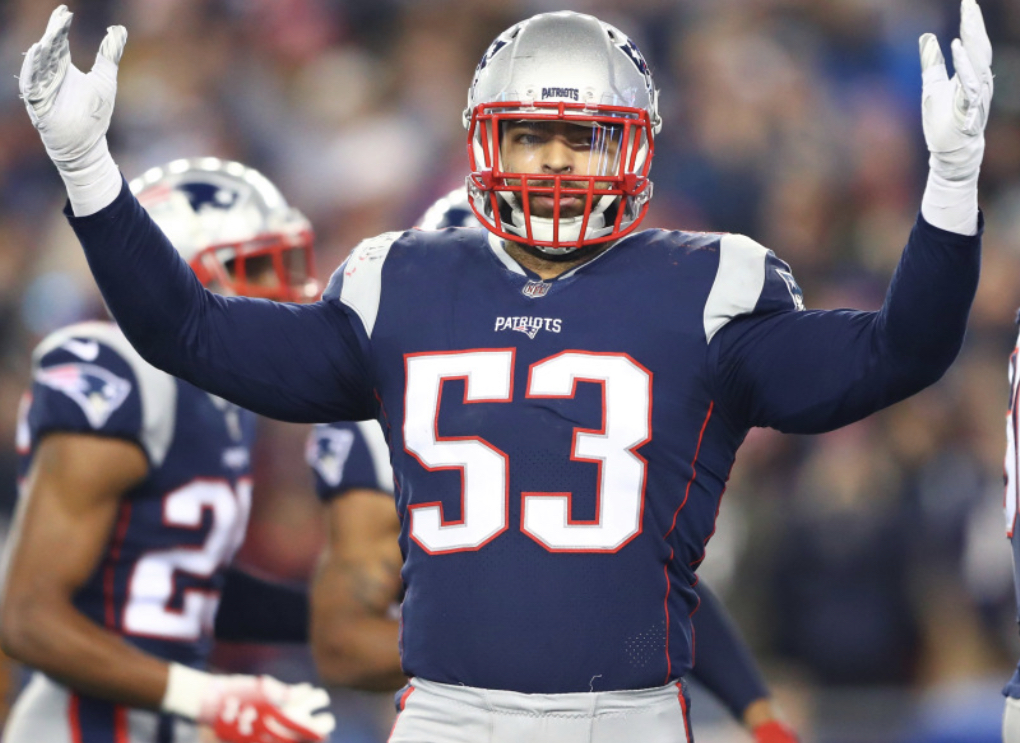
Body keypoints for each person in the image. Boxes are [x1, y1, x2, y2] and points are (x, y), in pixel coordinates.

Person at [19, 2, 992, 741]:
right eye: (531, 132)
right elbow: (188, 331)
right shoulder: (400, 279)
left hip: (627, 714)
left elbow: (898, 352)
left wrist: (950, 187)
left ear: (633, 145)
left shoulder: (707, 285)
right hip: (444, 712)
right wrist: (87, 169)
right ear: (487, 139)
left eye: (583, 135)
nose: (556, 160)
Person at [0, 157, 333, 743]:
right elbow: (28, 617)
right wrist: (210, 697)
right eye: (258, 268)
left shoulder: (224, 398)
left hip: (159, 722)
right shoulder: (118, 373)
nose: (287, 292)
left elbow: (176, 581)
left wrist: (339, 619)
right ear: (178, 273)